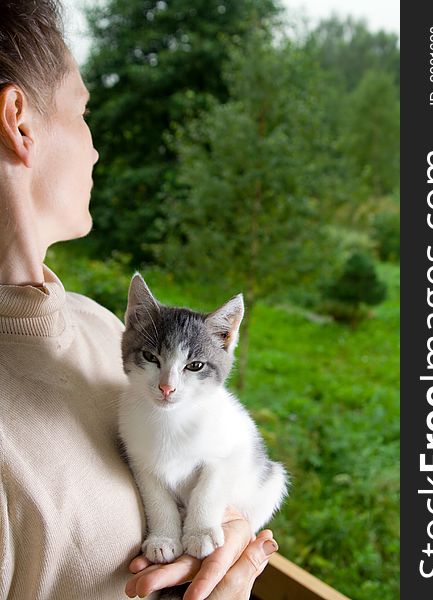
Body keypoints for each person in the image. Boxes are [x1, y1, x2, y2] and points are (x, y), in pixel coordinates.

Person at [0, 1, 278, 598]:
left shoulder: (104, 328)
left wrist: (229, 531)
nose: (96, 149)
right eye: (83, 113)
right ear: (19, 121)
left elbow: (216, 483)